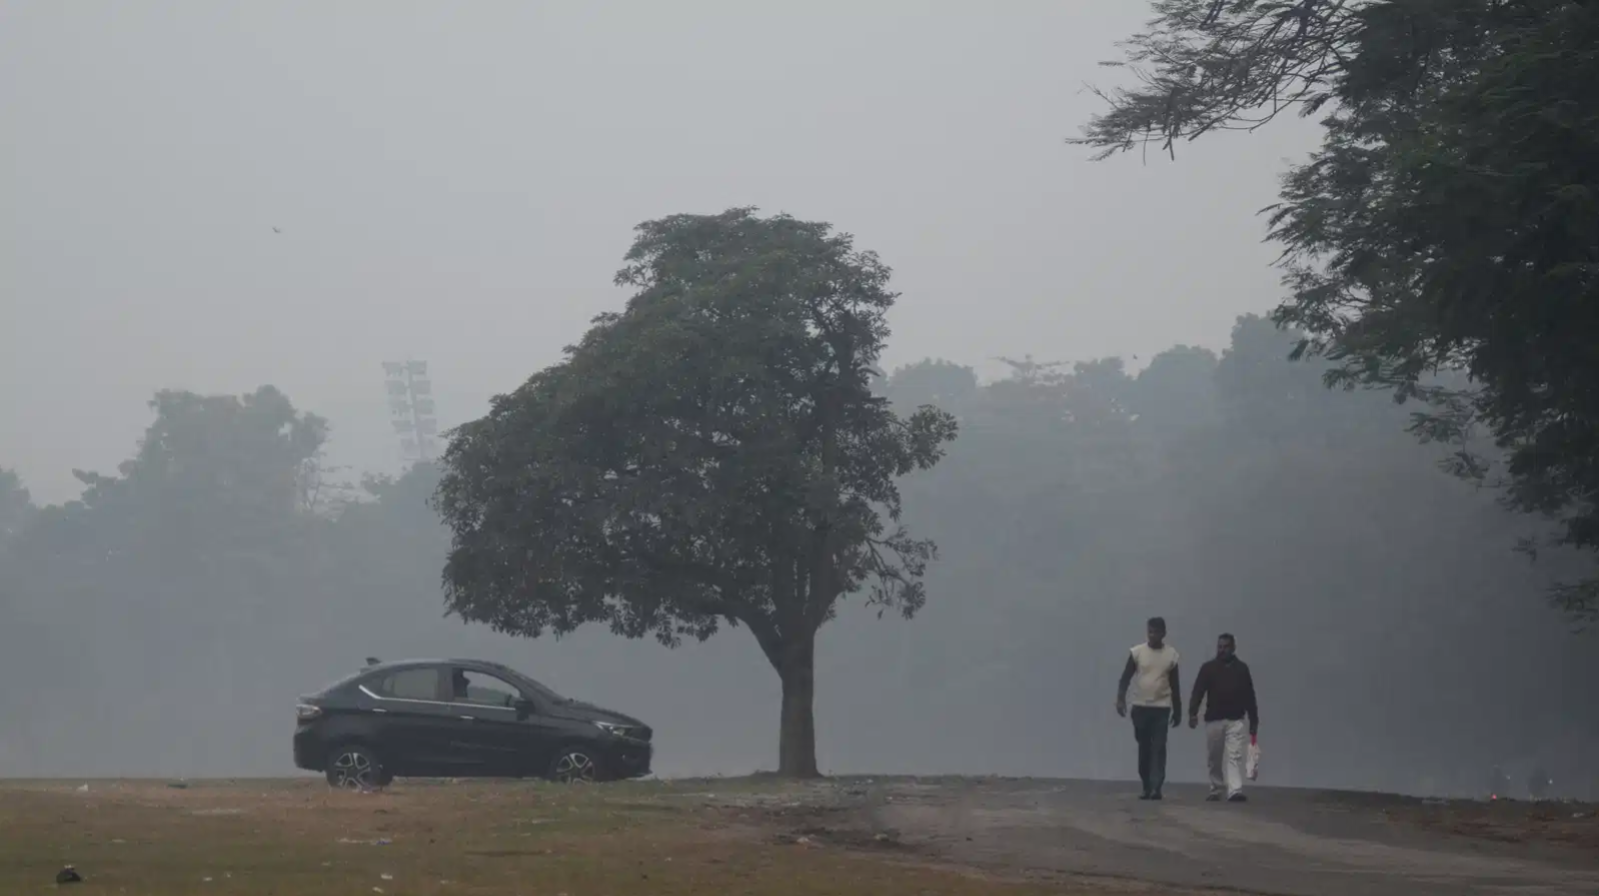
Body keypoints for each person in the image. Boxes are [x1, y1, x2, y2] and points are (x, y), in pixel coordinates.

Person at [1188, 633, 1259, 803]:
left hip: (1236, 719)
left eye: (1226, 647)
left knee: (1234, 756)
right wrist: (1192, 713)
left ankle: (1235, 790)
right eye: (1219, 647)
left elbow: (1250, 695)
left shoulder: (1242, 669)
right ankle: (1216, 789)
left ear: (1233, 648)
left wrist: (1254, 720)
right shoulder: (1208, 668)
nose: (1222, 650)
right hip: (1214, 719)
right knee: (1215, 756)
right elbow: (1198, 691)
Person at [1116, 617, 1182, 800]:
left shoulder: (1171, 655)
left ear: (1163, 633)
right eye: (1150, 632)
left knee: (1159, 748)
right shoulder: (1137, 652)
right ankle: (1146, 785)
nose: (1153, 635)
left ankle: (1156, 787)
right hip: (1140, 707)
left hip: (1162, 707)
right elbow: (1125, 678)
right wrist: (1120, 699)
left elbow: (1175, 685)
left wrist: (1178, 710)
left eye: (1156, 632)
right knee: (1144, 747)